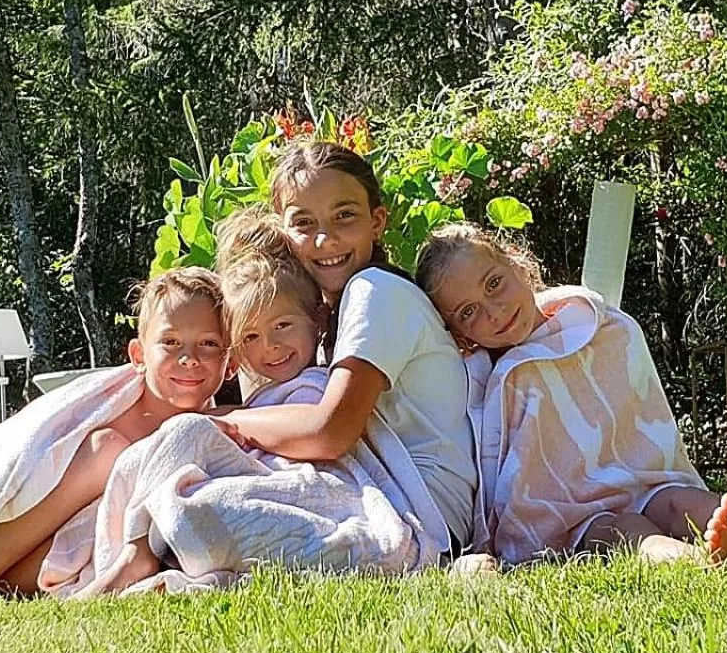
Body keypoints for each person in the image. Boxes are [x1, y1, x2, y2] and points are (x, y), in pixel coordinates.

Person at [71, 228, 452, 595]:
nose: (270, 347)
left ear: (316, 321)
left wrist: (217, 423)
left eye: (283, 325)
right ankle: (147, 555)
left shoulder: (322, 386)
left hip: (334, 504)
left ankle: (146, 553)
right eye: (251, 337)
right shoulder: (260, 400)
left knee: (195, 467)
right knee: (142, 458)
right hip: (283, 499)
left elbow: (320, 458)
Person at [415, 222, 727, 566]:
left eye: (494, 284)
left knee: (679, 499)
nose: (494, 311)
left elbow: (637, 416)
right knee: (623, 529)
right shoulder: (490, 380)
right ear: (459, 334)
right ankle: (691, 558)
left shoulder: (602, 329)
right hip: (576, 517)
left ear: (517, 263)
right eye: (468, 312)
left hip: (641, 483)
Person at [0, 268, 229, 609]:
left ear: (230, 361)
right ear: (138, 355)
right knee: (109, 450)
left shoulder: (217, 426)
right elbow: (28, 454)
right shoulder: (111, 413)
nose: (190, 358)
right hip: (17, 531)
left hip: (55, 562)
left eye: (209, 344)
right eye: (170, 341)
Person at [211, 143, 479, 552]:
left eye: (344, 216)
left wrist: (222, 422)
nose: (325, 238)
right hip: (384, 495)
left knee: (212, 500)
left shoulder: (376, 291)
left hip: (423, 513)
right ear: (284, 232)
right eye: (304, 222)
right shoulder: (318, 316)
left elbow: (330, 432)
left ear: (378, 220)